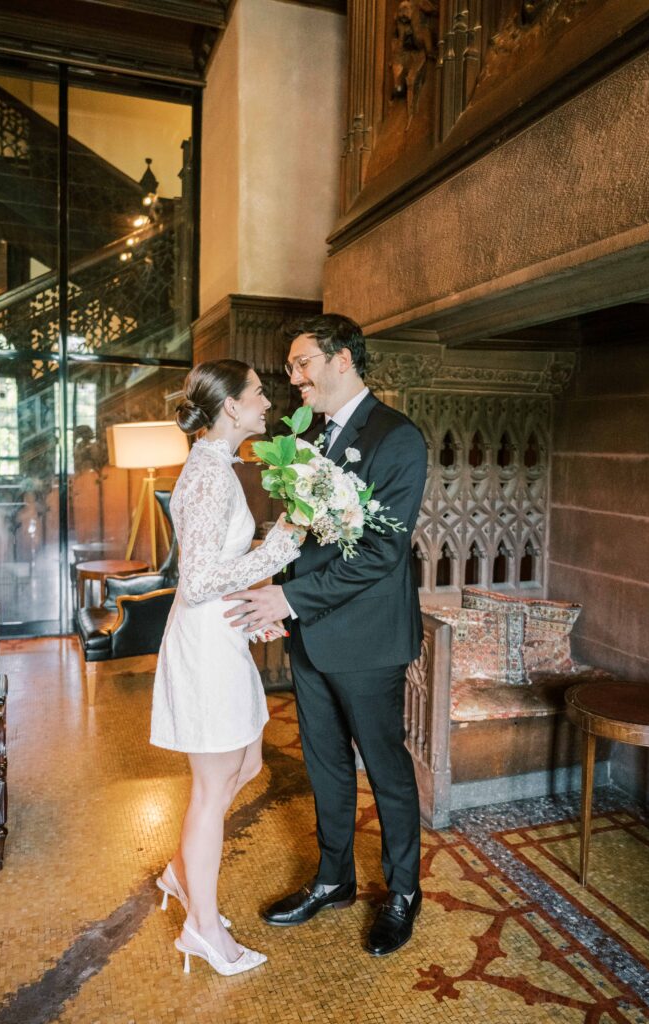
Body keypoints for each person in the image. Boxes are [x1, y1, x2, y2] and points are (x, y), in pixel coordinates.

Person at [224, 314, 428, 956]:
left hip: (368, 642)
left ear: (343, 360)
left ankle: (403, 892)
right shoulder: (311, 436)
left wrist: (287, 595)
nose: (295, 377)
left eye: (303, 362)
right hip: (311, 632)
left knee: (386, 770)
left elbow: (380, 554)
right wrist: (281, 595)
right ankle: (334, 878)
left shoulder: (398, 438)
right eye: (289, 367)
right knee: (325, 765)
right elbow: (303, 535)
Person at [150, 359, 305, 977]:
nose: (269, 402)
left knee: (248, 763)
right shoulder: (211, 476)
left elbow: (217, 569)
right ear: (232, 408)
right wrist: (280, 547)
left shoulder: (218, 467)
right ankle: (203, 929)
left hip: (224, 634)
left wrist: (254, 605)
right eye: (260, 394)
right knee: (213, 791)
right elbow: (199, 580)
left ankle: (181, 872)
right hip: (206, 645)